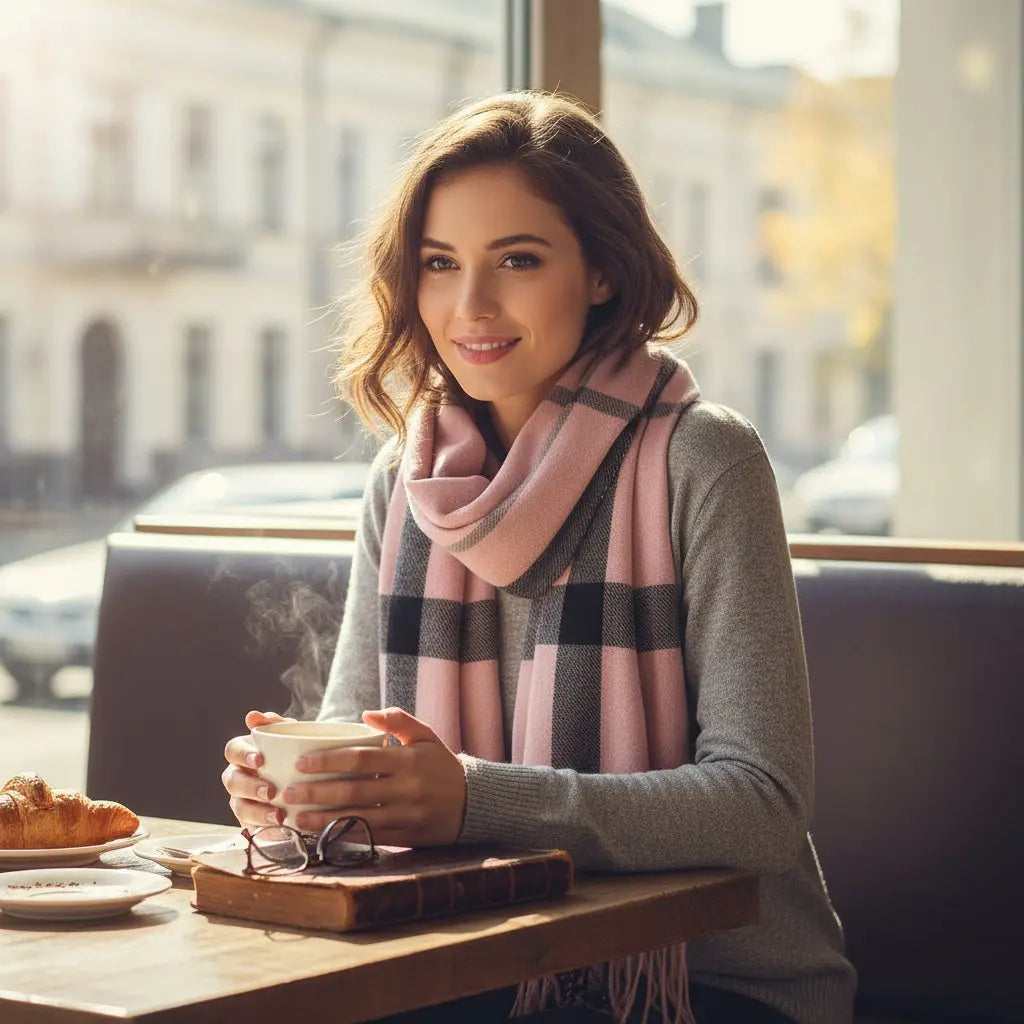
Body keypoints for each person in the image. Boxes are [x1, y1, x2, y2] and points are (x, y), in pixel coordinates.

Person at [222, 91, 856, 1024]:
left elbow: (760, 804)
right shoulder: (406, 479)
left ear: (602, 271)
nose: (469, 305)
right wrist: (307, 798)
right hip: (459, 961)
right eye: (439, 264)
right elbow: (366, 752)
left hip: (713, 985)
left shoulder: (703, 458)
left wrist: (476, 803)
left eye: (517, 259)